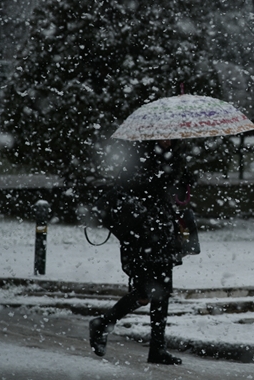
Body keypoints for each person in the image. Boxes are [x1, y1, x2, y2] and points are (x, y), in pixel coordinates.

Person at [89, 139, 191, 365]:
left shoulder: (175, 156)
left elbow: (172, 195)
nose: (167, 140)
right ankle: (103, 324)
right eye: (163, 137)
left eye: (171, 137)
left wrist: (182, 181)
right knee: (144, 292)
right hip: (140, 234)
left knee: (162, 293)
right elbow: (128, 189)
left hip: (162, 231)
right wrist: (156, 180)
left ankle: (157, 349)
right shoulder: (138, 156)